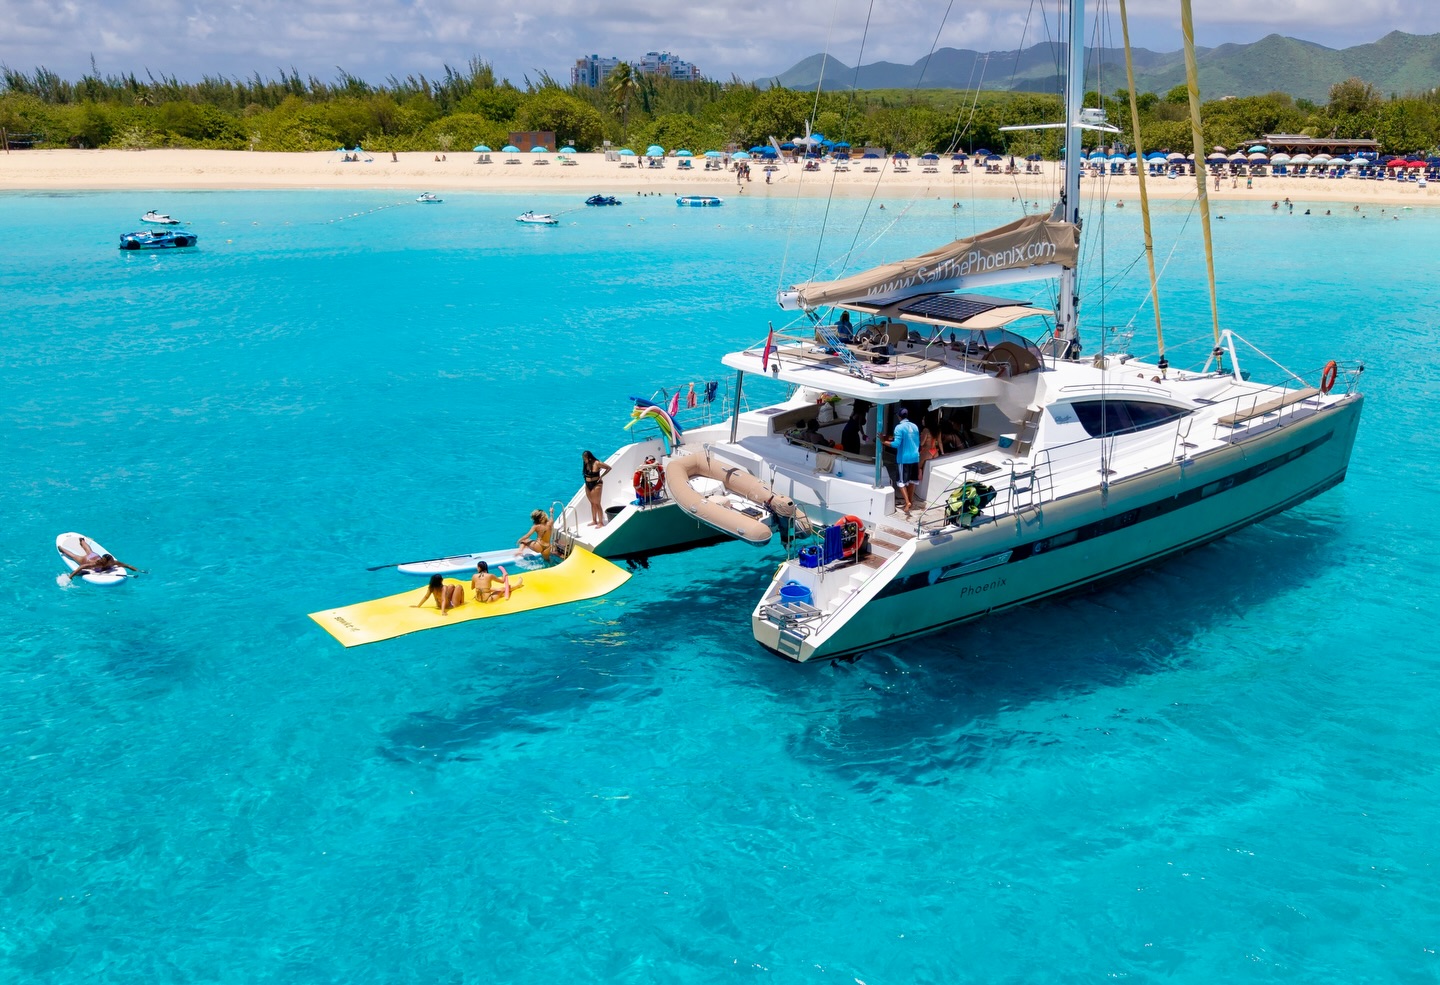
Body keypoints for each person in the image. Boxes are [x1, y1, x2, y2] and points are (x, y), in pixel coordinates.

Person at [884, 408, 921, 515]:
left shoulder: (899, 427)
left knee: (901, 482)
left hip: (904, 459)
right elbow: (916, 442)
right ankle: (910, 501)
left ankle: (907, 502)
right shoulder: (915, 426)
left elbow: (896, 444)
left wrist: (883, 441)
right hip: (915, 457)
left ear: (898, 416)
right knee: (912, 481)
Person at [59, 538, 138, 581]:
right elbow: (81, 567)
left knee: (89, 551)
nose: (113, 562)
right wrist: (70, 576)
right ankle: (61, 549)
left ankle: (82, 540)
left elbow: (126, 565)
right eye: (111, 561)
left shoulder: (113, 562)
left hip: (95, 556)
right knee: (74, 556)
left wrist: (136, 570)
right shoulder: (96, 564)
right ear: (106, 562)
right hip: (88, 559)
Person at [582, 450, 612, 527]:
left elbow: (608, 468)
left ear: (589, 458)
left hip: (596, 484)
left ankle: (601, 522)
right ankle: (594, 520)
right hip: (588, 484)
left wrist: (602, 476)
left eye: (585, 458)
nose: (584, 460)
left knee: (597, 503)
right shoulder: (586, 464)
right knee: (592, 503)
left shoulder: (597, 463)